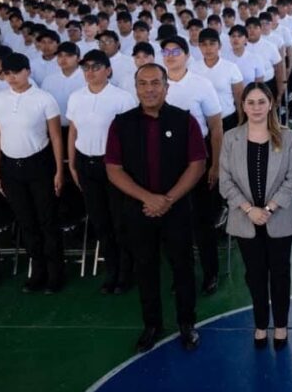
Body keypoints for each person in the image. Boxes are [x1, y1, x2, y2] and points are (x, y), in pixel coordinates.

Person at [105, 63, 205, 353]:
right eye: (143, 83)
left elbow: (197, 165)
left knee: (183, 267)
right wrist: (147, 198)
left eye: (155, 83)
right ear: (135, 88)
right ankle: (152, 324)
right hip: (138, 211)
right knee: (145, 269)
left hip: (176, 210)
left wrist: (167, 200)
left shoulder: (184, 121)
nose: (149, 89)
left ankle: (187, 323)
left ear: (166, 87)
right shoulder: (121, 124)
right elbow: (113, 169)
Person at [219, 83, 292, 350]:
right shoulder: (231, 138)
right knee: (254, 275)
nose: (256, 107)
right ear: (243, 106)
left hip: (279, 220)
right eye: (250, 102)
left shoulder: (286, 137)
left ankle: (281, 325)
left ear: (270, 104)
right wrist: (248, 209)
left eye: (261, 102)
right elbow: (226, 181)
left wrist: (269, 208)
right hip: (245, 220)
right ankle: (260, 324)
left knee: (280, 274)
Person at [0, 53, 65, 293]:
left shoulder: (44, 99)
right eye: (7, 73)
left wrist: (59, 171)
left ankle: (55, 274)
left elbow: (55, 137)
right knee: (26, 222)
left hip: (39, 165)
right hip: (10, 167)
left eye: (16, 72)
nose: (11, 77)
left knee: (46, 221)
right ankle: (37, 271)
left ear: (28, 71)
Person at [66, 50, 138, 294]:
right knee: (100, 222)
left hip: (114, 166)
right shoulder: (76, 97)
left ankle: (126, 273)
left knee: (120, 222)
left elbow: (131, 138)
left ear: (108, 70)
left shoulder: (122, 98)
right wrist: (73, 164)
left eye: (96, 67)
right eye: (86, 68)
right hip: (87, 165)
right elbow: (73, 131)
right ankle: (112, 271)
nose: (90, 72)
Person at [161, 35, 225, 294]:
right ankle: (181, 274)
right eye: (165, 50)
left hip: (198, 157)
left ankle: (210, 273)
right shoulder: (157, 84)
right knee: (174, 221)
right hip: (166, 161)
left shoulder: (201, 84)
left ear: (187, 55)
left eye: (176, 51)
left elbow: (216, 126)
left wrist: (216, 164)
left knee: (202, 220)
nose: (170, 55)